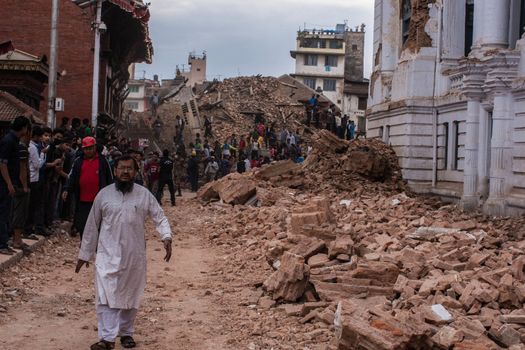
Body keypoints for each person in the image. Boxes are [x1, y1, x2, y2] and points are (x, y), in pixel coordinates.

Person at [76, 155, 172, 350]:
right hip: (106, 255)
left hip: (133, 255)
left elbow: (159, 217)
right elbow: (92, 225)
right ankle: (107, 338)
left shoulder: (143, 194)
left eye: (129, 168)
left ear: (135, 172)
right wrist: (84, 254)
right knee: (105, 295)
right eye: (122, 168)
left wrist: (166, 236)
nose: (126, 172)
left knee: (131, 295)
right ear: (116, 171)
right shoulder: (103, 195)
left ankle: (126, 333)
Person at [63, 137, 113, 239]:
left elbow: (110, 178)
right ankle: (84, 244)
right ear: (83, 149)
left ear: (95, 147)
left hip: (99, 200)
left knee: (99, 223)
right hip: (82, 199)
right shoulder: (78, 161)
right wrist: (66, 189)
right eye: (86, 148)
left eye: (91, 148)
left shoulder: (103, 161)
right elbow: (71, 176)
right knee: (83, 223)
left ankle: (98, 246)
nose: (88, 151)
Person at [0, 116, 31, 255]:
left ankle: (4, 241)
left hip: (8, 183)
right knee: (3, 212)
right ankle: (1, 244)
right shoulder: (9, 141)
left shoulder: (13, 140)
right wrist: (9, 184)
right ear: (24, 128)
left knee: (7, 212)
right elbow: (3, 163)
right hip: (4, 184)